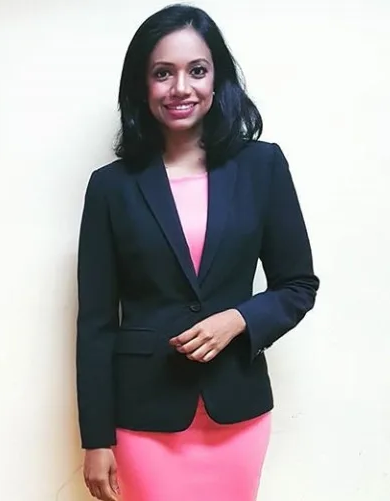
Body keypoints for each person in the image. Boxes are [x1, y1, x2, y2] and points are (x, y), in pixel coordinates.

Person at [75, 4, 319, 501]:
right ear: (142, 85)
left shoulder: (262, 166)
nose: (181, 87)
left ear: (217, 79)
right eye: (163, 73)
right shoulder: (110, 187)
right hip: (144, 415)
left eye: (197, 70)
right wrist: (96, 438)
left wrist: (238, 319)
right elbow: (96, 322)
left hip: (237, 411)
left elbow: (298, 285)